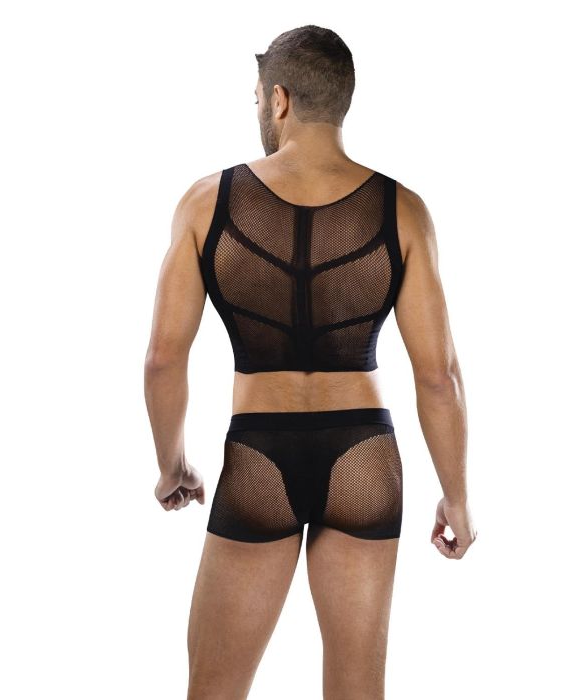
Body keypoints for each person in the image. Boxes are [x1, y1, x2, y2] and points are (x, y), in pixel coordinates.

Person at [144, 24, 477, 700]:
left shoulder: (208, 202)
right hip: (363, 456)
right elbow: (439, 377)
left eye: (257, 99)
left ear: (279, 100)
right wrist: (457, 496)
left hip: (259, 452)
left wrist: (172, 467)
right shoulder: (403, 210)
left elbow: (162, 360)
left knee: (213, 690)